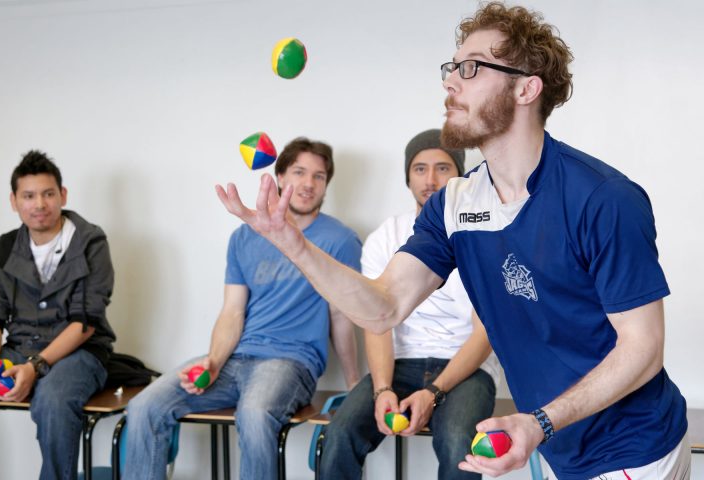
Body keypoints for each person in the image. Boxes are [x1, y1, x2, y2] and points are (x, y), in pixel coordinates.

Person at [216, 3, 690, 479]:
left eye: (471, 68)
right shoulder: (456, 204)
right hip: (558, 446)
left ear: (526, 88)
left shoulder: (603, 199)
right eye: (451, 68)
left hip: (633, 452)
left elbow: (643, 349)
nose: (450, 82)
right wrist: (294, 244)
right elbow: (382, 308)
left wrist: (540, 423)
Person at [123, 137, 362, 480]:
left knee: (253, 413)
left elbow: (342, 315)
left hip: (290, 361)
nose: (309, 184)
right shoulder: (244, 238)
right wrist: (214, 360)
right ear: (279, 177)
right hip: (235, 360)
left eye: (319, 176)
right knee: (144, 406)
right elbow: (232, 312)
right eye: (299, 172)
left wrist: (354, 385)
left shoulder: (340, 240)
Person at [318, 129, 500, 480]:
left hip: (467, 370)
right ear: (407, 176)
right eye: (419, 169)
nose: (430, 179)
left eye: (442, 168)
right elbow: (377, 322)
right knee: (338, 435)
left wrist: (433, 392)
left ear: (460, 175)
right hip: (399, 365)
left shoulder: (485, 234)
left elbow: (486, 334)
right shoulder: (385, 237)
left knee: (459, 444)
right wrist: (383, 388)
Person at [0, 150, 117, 480]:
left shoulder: (90, 241)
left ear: (63, 195)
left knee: (53, 403)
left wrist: (35, 367)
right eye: (29, 196)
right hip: (16, 350)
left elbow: (85, 322)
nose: (39, 204)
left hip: (78, 353)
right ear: (14, 200)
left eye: (48, 194)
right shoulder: (4, 247)